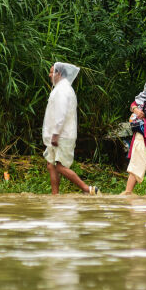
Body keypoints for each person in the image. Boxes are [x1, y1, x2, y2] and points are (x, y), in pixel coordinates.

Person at [42, 62, 99, 195]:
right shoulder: (61, 88)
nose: (49, 75)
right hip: (58, 134)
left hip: (61, 135)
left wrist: (55, 134)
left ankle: (87, 189)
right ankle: (55, 195)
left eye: (52, 72)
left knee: (60, 166)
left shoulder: (63, 90)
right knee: (51, 165)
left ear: (59, 74)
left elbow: (61, 114)